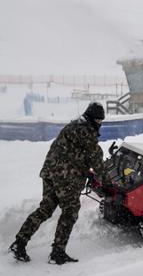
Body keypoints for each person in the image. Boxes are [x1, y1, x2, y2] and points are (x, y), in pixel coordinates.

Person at [9, 101, 107, 265]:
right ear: (92, 119)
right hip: (65, 178)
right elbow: (97, 162)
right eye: (98, 120)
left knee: (45, 209)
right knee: (70, 211)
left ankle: (19, 243)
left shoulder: (73, 126)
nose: (99, 124)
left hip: (49, 172)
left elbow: (73, 153)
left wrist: (84, 170)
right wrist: (107, 179)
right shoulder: (88, 133)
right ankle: (58, 252)